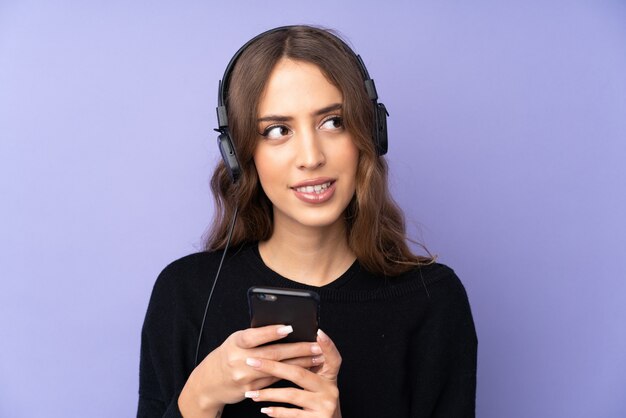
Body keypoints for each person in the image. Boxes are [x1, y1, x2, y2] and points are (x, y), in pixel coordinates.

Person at [137, 25, 477, 418]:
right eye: (278, 130)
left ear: (369, 132)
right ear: (240, 154)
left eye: (332, 122)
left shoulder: (433, 300)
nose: (311, 156)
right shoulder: (184, 294)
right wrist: (200, 396)